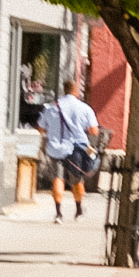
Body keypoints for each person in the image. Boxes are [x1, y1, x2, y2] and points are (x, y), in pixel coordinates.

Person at [37, 88, 101, 223]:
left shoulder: (51, 108)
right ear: (75, 92)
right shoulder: (84, 108)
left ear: (64, 91)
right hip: (76, 150)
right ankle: (78, 211)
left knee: (57, 179)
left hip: (55, 149)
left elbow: (41, 127)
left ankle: (59, 213)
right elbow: (94, 130)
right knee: (76, 180)